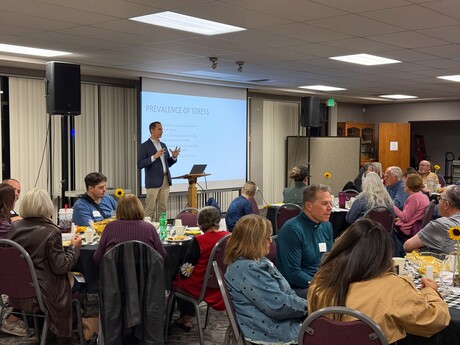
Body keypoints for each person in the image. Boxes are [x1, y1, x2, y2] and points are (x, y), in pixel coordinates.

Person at [309, 218, 450, 344]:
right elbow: (434, 320)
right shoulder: (394, 287)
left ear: (343, 245)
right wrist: (431, 291)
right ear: (383, 254)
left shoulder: (321, 280)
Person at [4, 188, 82, 342]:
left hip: (16, 287)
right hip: (43, 290)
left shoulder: (14, 227)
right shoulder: (51, 231)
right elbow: (61, 267)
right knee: (84, 283)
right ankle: (75, 332)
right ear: (47, 206)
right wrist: (74, 247)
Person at [225, 214, 307, 344]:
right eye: (267, 238)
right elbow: (278, 306)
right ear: (253, 241)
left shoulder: (255, 260)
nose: (270, 241)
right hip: (272, 333)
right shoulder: (249, 269)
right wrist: (311, 305)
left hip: (275, 324)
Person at [172, 206, 230, 331]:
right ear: (218, 221)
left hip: (199, 286)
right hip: (221, 285)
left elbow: (186, 270)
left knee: (178, 278)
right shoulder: (228, 237)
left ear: (199, 223)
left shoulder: (199, 240)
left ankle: (186, 318)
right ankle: (186, 317)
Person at [276, 184, 333, 297]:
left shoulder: (326, 225)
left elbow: (330, 260)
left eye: (331, 203)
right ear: (309, 206)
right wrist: (322, 284)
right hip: (299, 288)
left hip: (321, 281)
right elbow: (293, 273)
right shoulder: (292, 230)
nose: (330, 208)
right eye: (324, 203)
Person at [93, 193, 166, 264]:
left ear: (119, 210)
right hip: (146, 274)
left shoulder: (110, 227)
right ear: (140, 209)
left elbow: (97, 258)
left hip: (114, 275)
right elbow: (162, 256)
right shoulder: (149, 228)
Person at [137, 121, 180, 221]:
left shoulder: (163, 144)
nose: (162, 131)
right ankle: (147, 232)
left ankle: (162, 233)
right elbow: (140, 164)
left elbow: (167, 164)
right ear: (152, 130)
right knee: (149, 210)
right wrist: (154, 157)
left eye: (162, 129)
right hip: (153, 182)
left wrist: (173, 157)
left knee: (163, 209)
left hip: (165, 180)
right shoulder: (144, 146)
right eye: (159, 129)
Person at [404, 185, 460, 254]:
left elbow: (407, 246)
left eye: (440, 198)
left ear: (446, 205)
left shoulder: (441, 225)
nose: (438, 201)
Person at [393, 174, 430, 239]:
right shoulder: (423, 196)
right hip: (415, 226)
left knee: (383, 226)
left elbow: (405, 218)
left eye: (405, 183)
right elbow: (415, 215)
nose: (403, 185)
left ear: (409, 186)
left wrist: (393, 207)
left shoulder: (414, 198)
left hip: (407, 229)